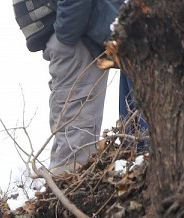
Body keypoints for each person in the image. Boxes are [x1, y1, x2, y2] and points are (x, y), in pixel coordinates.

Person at [13, 0, 123, 172]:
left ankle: (66, 191)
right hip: (70, 37)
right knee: (70, 126)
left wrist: (65, 35)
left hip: (74, 40)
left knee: (73, 145)